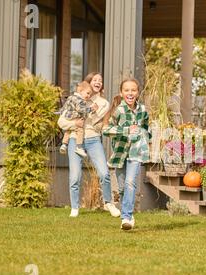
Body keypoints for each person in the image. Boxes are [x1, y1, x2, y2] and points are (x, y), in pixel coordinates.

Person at [58, 72, 121, 218]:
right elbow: (61, 122)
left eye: (100, 80)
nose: (98, 82)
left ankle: (109, 203)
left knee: (104, 173)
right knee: (75, 175)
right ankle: (75, 207)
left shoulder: (103, 103)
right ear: (88, 83)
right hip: (74, 138)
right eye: (95, 80)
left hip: (93, 139)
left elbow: (95, 122)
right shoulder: (75, 99)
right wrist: (74, 123)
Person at [103, 78, 150, 231]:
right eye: (127, 90)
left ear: (138, 92)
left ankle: (126, 217)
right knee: (123, 188)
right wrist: (125, 130)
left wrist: (145, 138)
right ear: (121, 93)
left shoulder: (142, 110)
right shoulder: (118, 110)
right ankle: (127, 213)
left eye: (133, 90)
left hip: (136, 152)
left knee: (130, 182)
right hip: (120, 153)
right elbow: (106, 129)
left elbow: (146, 128)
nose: (130, 93)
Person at [59, 81, 97, 158]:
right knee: (80, 130)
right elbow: (81, 110)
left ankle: (64, 144)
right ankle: (79, 147)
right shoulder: (81, 100)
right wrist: (90, 109)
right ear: (80, 91)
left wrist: (61, 112)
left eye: (90, 94)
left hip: (68, 117)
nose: (89, 96)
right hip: (75, 117)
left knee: (68, 130)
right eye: (88, 93)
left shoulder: (71, 97)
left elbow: (64, 107)